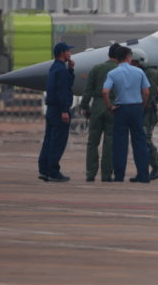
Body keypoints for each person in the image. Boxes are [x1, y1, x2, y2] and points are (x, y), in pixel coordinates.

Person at [103, 45, 150, 183]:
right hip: (136, 108)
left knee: (119, 144)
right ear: (129, 57)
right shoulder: (139, 72)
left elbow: (105, 92)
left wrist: (109, 107)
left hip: (120, 109)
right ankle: (143, 175)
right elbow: (146, 92)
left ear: (117, 59)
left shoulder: (113, 73)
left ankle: (119, 176)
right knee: (140, 142)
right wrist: (142, 105)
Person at [80, 43, 120, 182]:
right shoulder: (120, 70)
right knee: (110, 142)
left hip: (97, 106)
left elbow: (88, 91)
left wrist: (85, 106)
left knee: (92, 142)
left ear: (109, 54)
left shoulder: (97, 68)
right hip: (113, 107)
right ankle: (106, 175)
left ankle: (90, 174)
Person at [38, 41, 76, 182]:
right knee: (58, 141)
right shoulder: (60, 70)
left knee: (49, 140)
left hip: (52, 110)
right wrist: (64, 110)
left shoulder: (55, 68)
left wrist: (71, 70)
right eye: (68, 51)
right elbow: (62, 92)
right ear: (62, 53)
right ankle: (53, 171)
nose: (70, 54)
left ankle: (44, 170)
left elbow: (66, 84)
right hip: (59, 110)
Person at [133, 48, 158, 181]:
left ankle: (157, 168)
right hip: (144, 111)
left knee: (145, 139)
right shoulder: (143, 72)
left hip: (147, 112)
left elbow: (148, 94)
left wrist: (140, 108)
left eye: (133, 63)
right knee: (142, 140)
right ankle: (145, 171)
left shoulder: (150, 73)